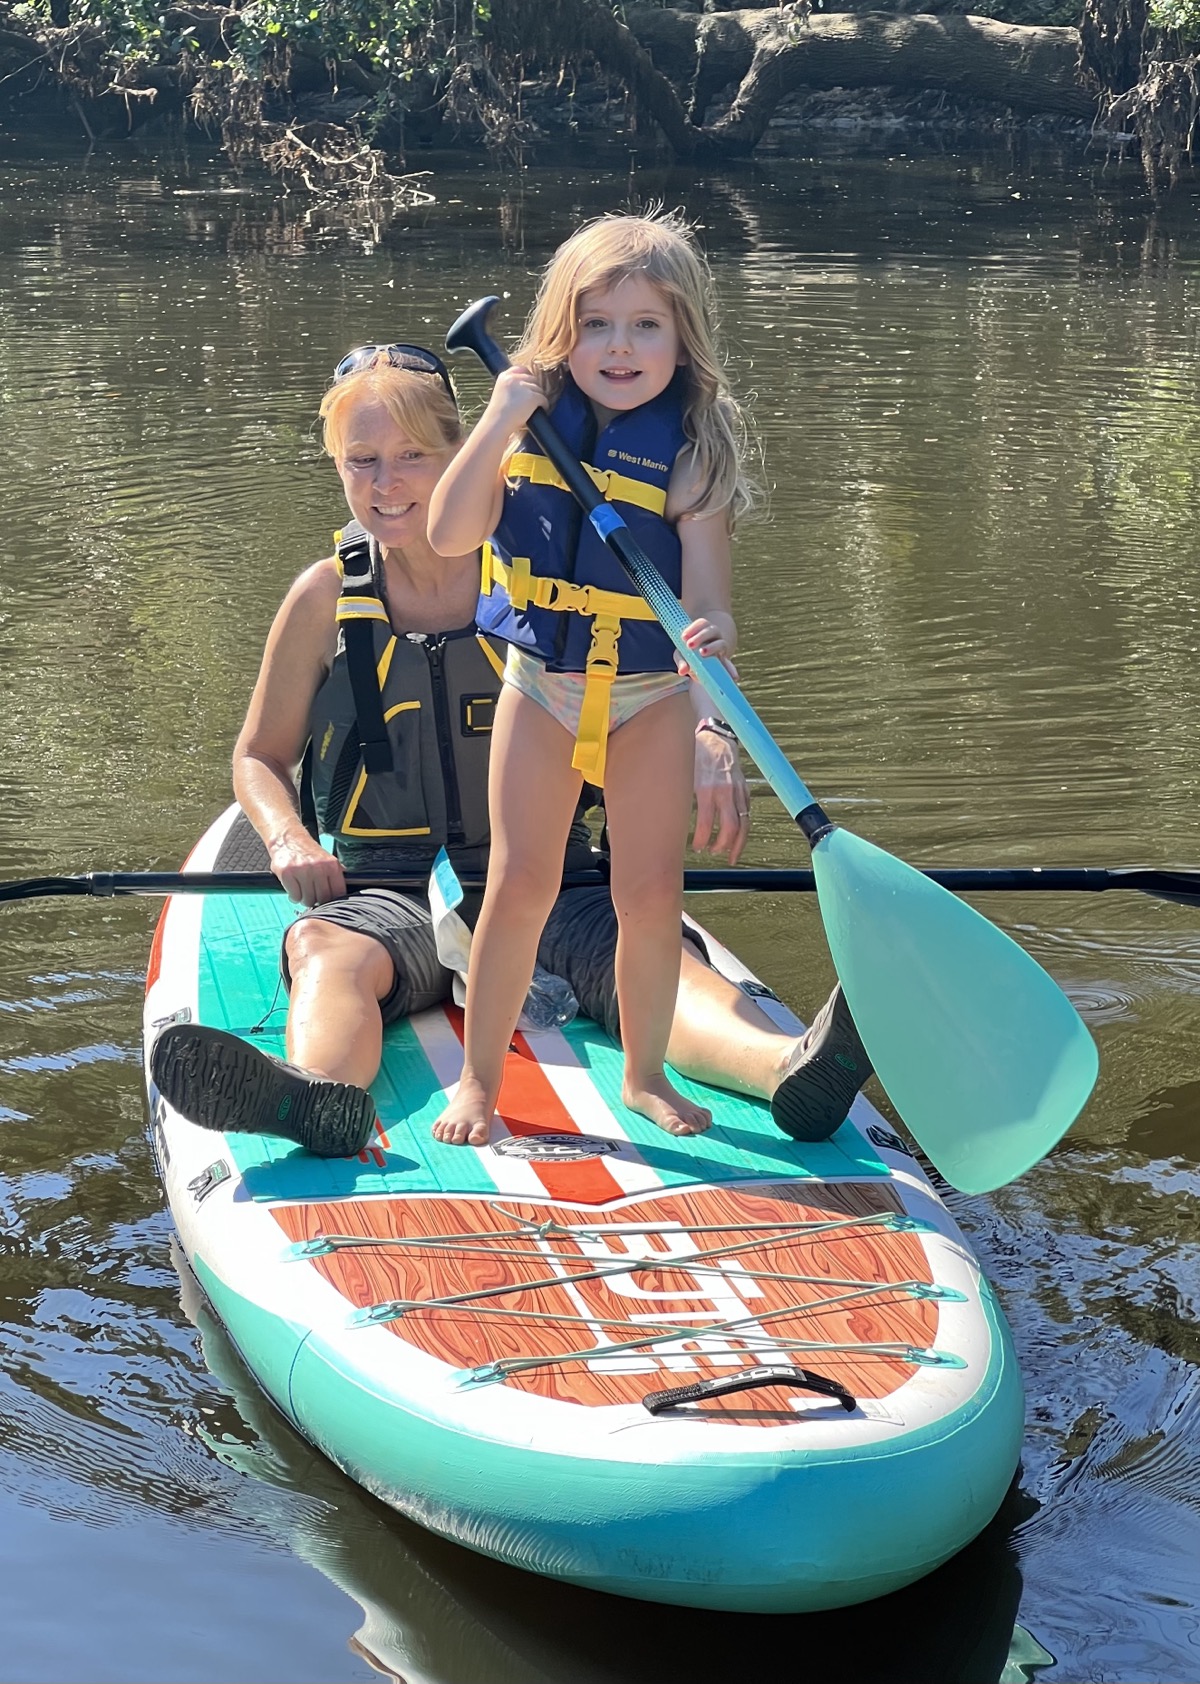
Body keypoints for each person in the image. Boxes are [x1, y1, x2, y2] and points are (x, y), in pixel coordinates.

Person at [150, 341, 871, 1159]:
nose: (386, 485)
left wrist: (710, 733)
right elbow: (257, 756)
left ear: (464, 453)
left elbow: (673, 653)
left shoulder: (535, 575)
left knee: (652, 945)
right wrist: (287, 838)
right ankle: (318, 1095)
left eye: (413, 457)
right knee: (327, 952)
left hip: (550, 881)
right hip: (385, 892)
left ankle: (792, 1070)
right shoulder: (325, 596)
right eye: (363, 462)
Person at [427, 211, 754, 1146]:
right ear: (560, 333)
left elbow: (714, 615)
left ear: (683, 335)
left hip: (652, 697)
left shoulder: (690, 451)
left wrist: (711, 728)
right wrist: (499, 418)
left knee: (649, 896)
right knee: (521, 884)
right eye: (597, 324)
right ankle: (479, 1085)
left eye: (646, 324)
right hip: (542, 682)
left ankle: (645, 1077)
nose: (620, 347)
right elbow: (451, 535)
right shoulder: (523, 424)